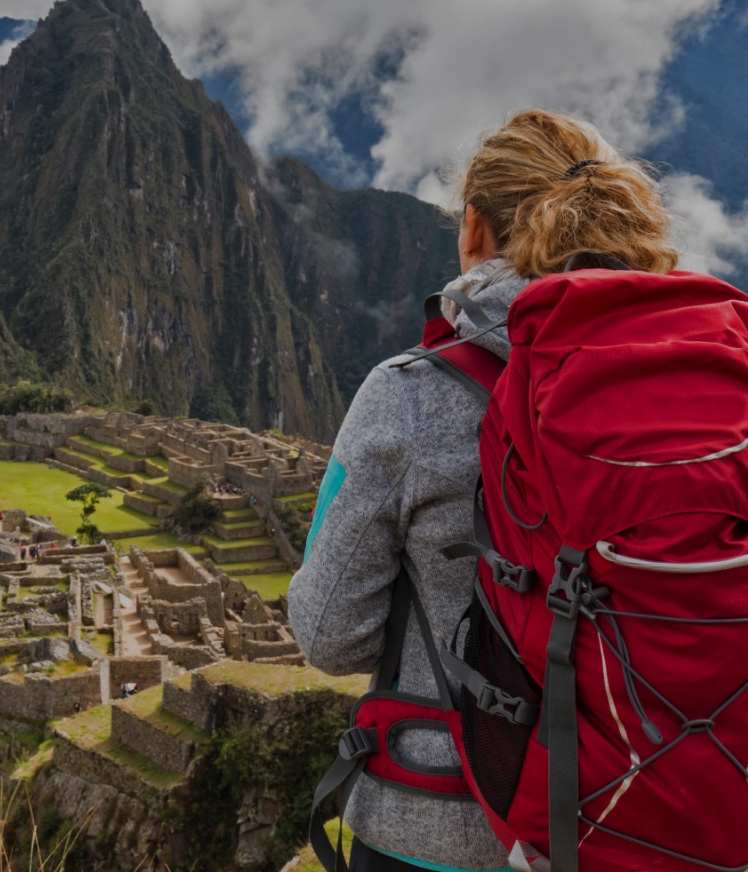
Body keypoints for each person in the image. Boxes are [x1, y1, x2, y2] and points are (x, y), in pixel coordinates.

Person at [288, 109, 678, 872]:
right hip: (648, 817)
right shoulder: (693, 387)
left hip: (443, 824)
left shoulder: (410, 395)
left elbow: (330, 632)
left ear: (474, 227)